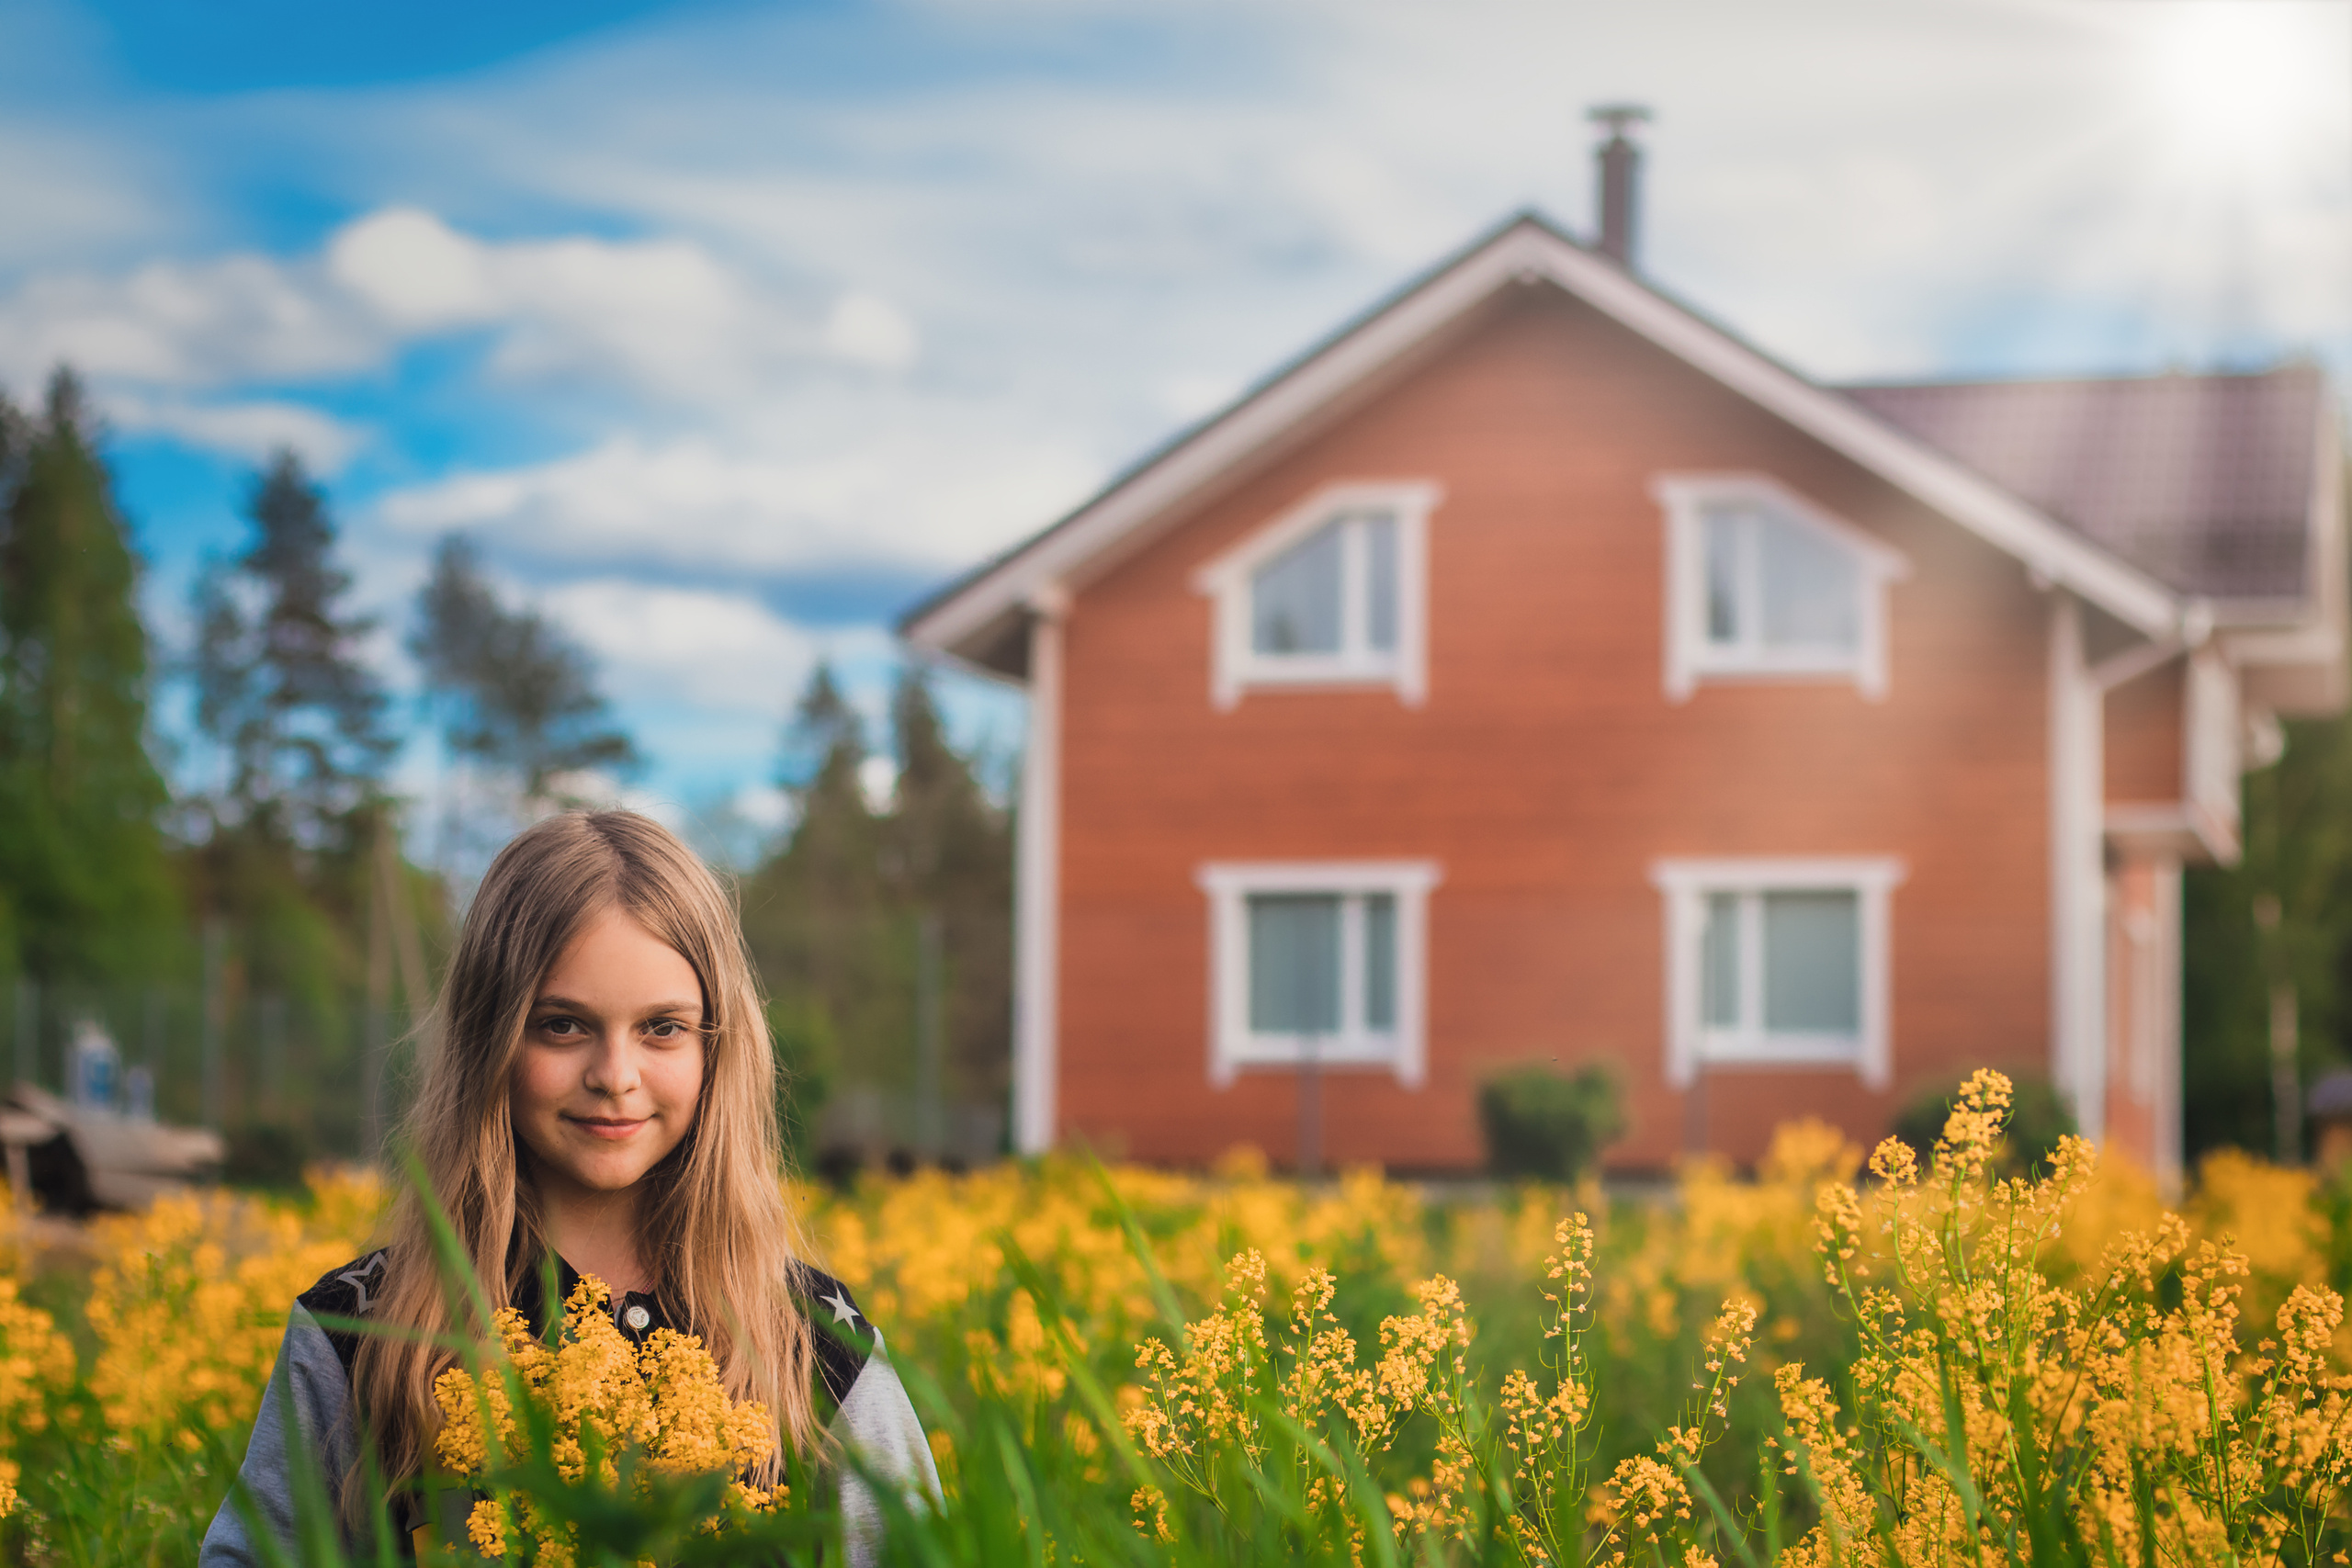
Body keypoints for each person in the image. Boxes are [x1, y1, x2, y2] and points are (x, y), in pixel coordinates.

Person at [200, 810, 938, 1564]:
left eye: (662, 1027)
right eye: (562, 1025)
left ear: (717, 1048)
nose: (615, 1075)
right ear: (489, 1037)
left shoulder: (813, 1342)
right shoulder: (360, 1334)